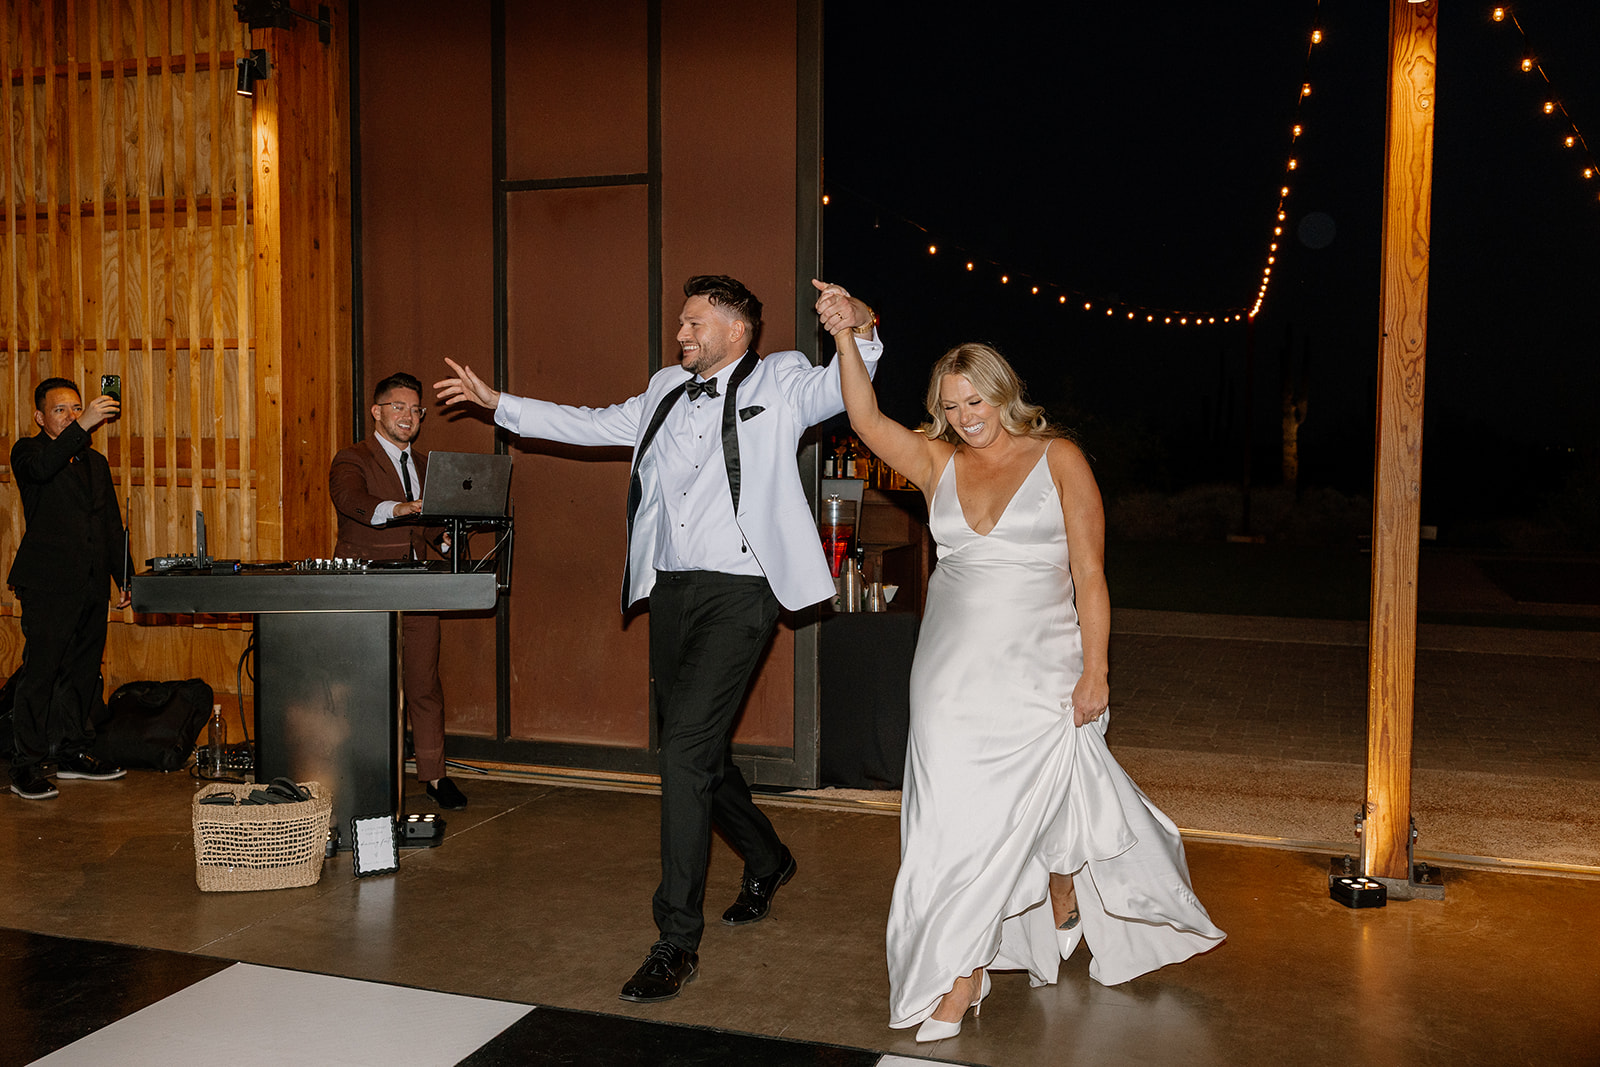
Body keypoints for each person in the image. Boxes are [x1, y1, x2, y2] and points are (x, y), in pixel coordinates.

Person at [435, 274, 880, 1004]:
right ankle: (767, 856)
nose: (681, 334)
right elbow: (593, 422)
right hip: (673, 592)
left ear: (737, 329)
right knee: (694, 748)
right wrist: (499, 404)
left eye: (694, 323)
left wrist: (857, 320)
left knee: (681, 752)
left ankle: (676, 939)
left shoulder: (785, 377)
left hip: (743, 593)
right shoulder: (665, 389)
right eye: (680, 323)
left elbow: (848, 384)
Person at [821, 297, 1225, 1042]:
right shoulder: (937, 460)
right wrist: (849, 334)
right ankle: (982, 949)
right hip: (948, 674)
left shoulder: (1059, 458)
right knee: (947, 823)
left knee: (1033, 804)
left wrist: (1096, 669)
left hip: (1041, 666)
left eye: (976, 399)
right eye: (951, 404)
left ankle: (1007, 935)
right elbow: (865, 421)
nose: (967, 414)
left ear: (1004, 392)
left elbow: (1091, 575)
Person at [329, 372, 466, 811]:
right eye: (399, 408)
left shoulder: (429, 466)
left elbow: (434, 529)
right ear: (377, 411)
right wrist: (401, 508)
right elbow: (352, 501)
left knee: (424, 683)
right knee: (364, 685)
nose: (408, 417)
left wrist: (447, 539)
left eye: (416, 410)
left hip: (419, 583)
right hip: (366, 586)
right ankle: (358, 772)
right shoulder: (352, 458)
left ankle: (435, 777)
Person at [7, 378, 133, 800]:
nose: (72, 416)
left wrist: (126, 577)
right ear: (41, 417)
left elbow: (111, 526)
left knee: (82, 673)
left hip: (91, 584)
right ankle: (25, 765)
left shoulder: (95, 463)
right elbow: (43, 470)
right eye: (62, 410)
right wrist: (85, 427)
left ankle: (72, 753)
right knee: (40, 673)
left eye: (78, 408)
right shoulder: (29, 452)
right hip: (47, 583)